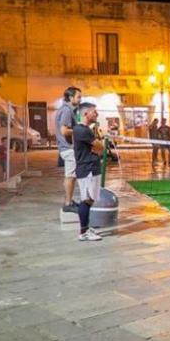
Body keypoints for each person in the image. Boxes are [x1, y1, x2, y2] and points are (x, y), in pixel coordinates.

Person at [73, 103, 105, 241]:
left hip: (90, 167)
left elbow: (98, 147)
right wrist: (98, 146)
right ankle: (83, 232)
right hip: (88, 169)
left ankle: (86, 228)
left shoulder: (86, 130)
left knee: (89, 200)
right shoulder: (82, 130)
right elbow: (100, 146)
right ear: (86, 113)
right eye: (94, 112)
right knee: (87, 200)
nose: (96, 114)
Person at [55, 86, 82, 214]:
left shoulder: (66, 109)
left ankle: (69, 201)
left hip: (67, 148)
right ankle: (68, 203)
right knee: (70, 177)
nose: (80, 100)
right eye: (78, 97)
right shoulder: (66, 110)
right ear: (71, 98)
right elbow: (64, 131)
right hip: (68, 148)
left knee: (71, 176)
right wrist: (80, 130)